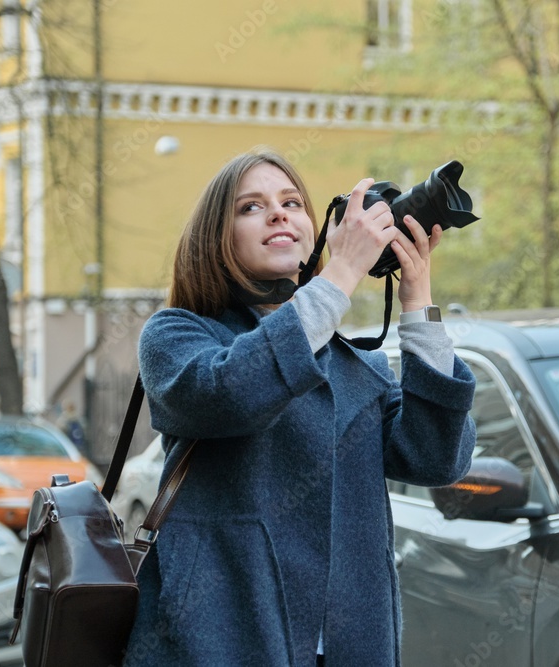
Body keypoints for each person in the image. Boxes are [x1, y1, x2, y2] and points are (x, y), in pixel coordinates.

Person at [124, 147, 477, 667]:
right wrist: (342, 274)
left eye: (292, 202)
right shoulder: (179, 335)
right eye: (250, 207)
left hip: (348, 646)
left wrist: (418, 302)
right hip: (219, 638)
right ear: (214, 238)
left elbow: (435, 459)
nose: (278, 213)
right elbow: (231, 393)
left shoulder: (357, 364)